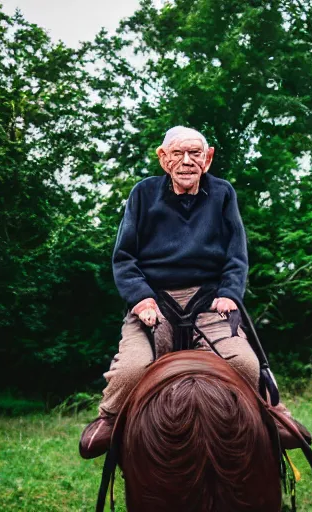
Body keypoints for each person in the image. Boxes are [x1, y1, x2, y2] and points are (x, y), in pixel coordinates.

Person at [79, 126, 263, 459]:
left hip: (210, 303)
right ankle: (108, 418)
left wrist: (229, 293)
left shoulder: (223, 193)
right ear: (164, 159)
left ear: (208, 158)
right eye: (178, 153)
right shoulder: (143, 193)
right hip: (155, 302)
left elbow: (236, 254)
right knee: (132, 370)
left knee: (247, 365)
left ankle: (269, 417)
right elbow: (124, 257)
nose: (187, 161)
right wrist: (141, 298)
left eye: (195, 153)